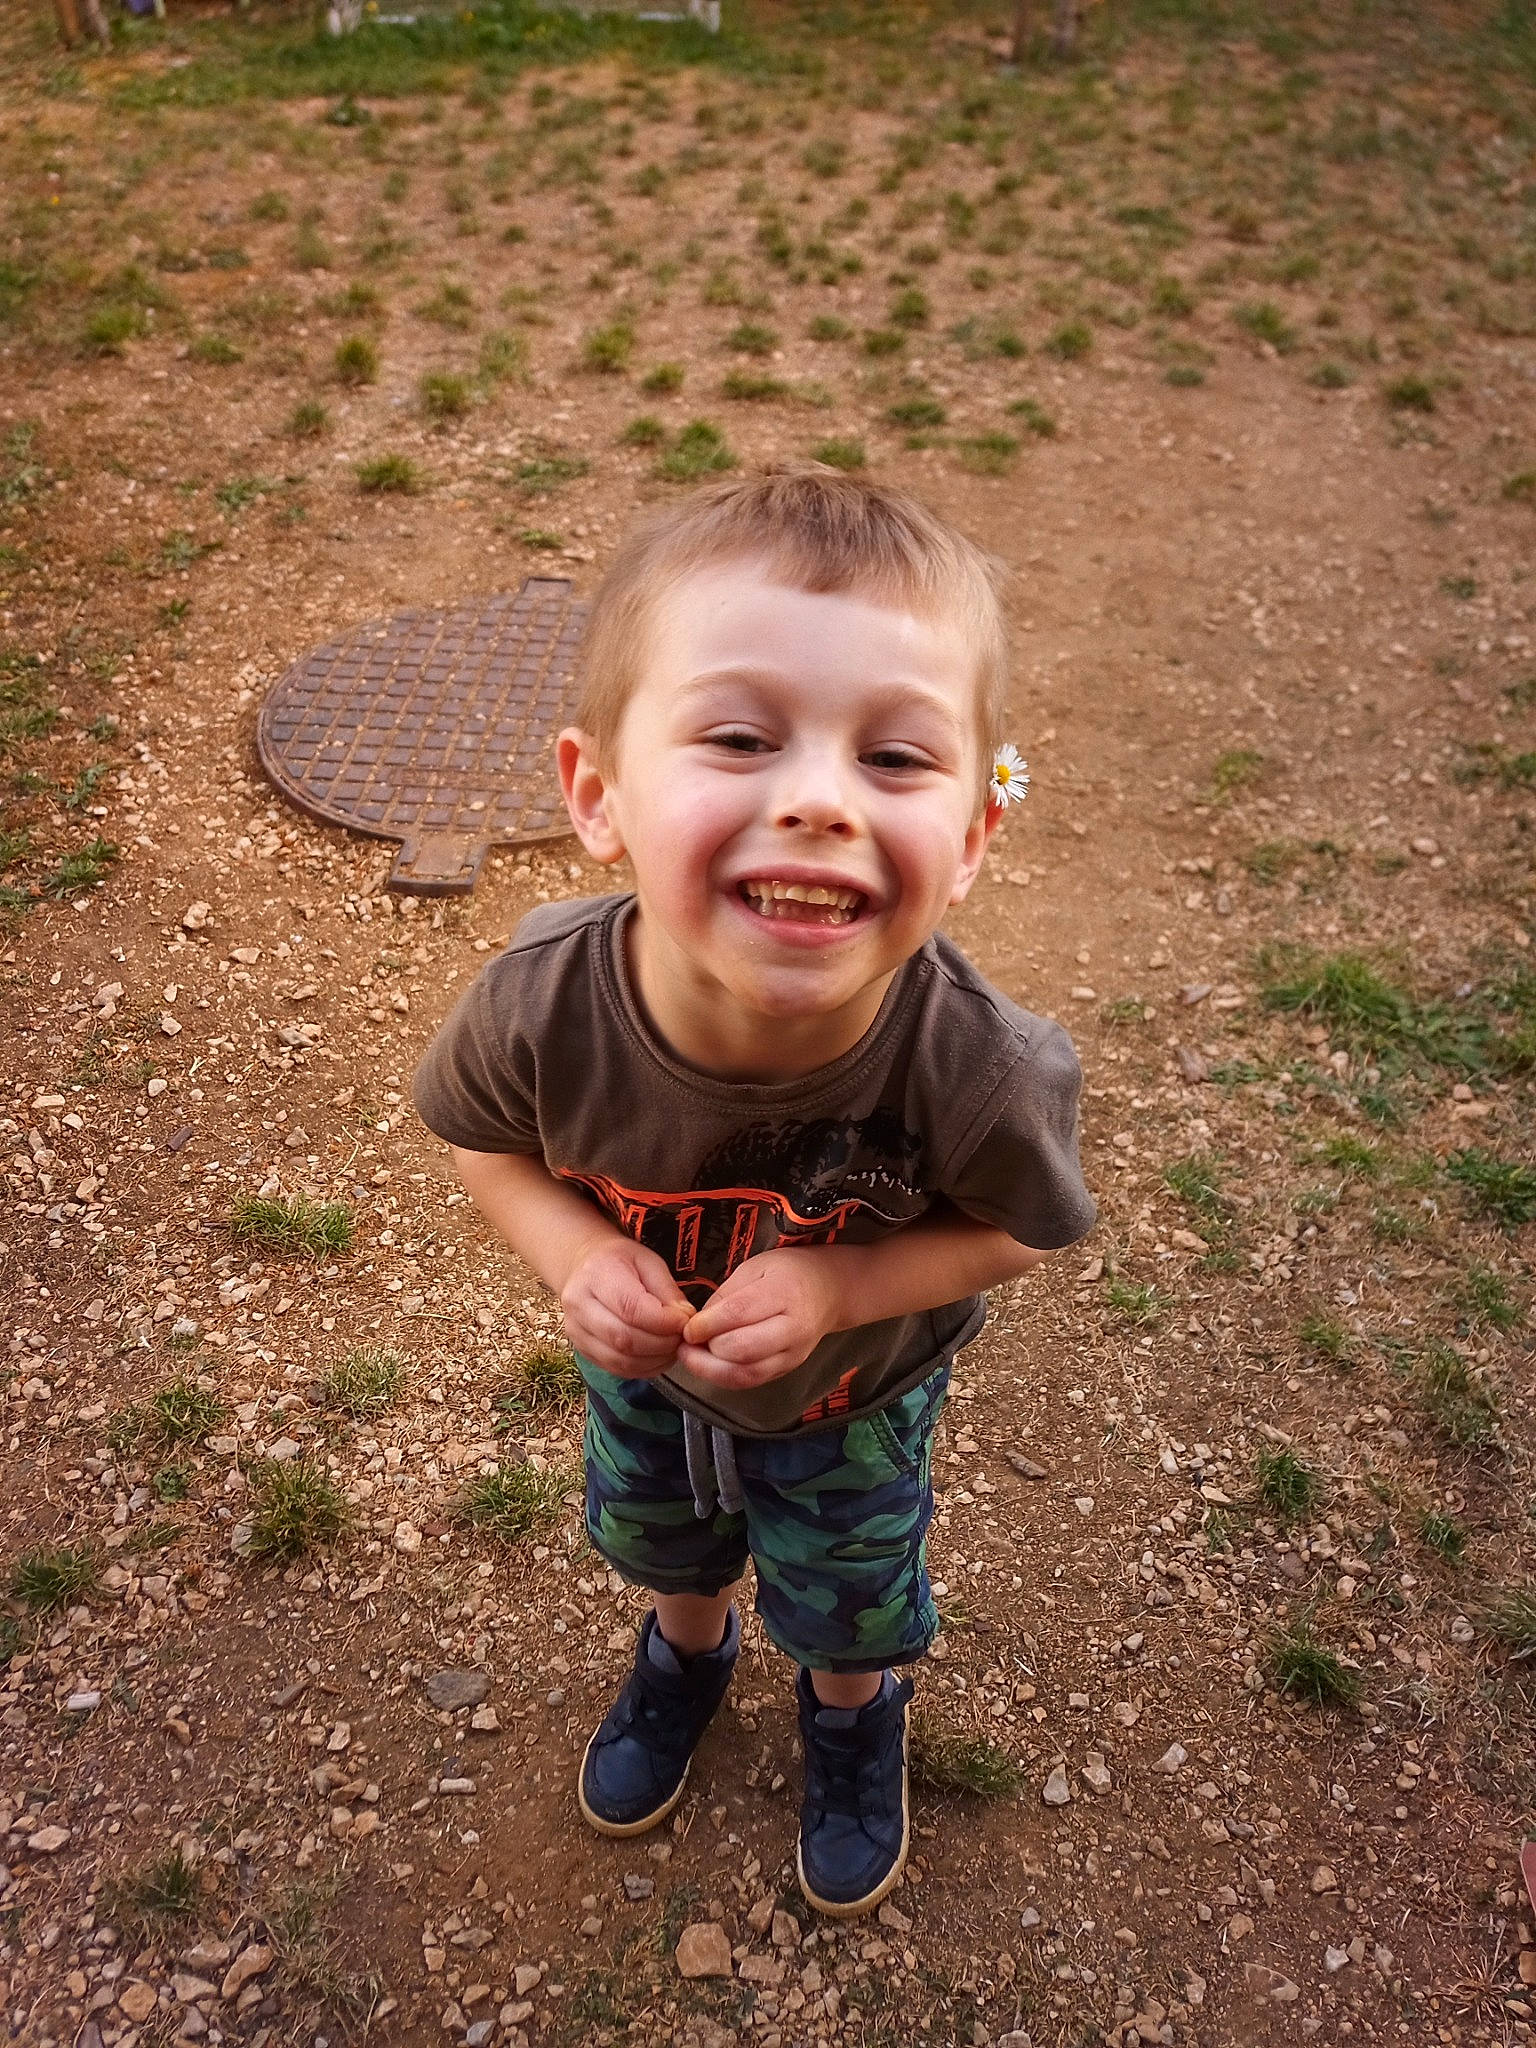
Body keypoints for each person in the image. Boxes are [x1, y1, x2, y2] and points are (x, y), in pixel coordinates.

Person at [412, 467, 1095, 1918]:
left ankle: (850, 1715)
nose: (816, 800)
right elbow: (480, 1139)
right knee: (665, 1535)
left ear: (972, 837)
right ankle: (689, 1650)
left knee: (849, 1590)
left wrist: (847, 1286)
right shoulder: (539, 1007)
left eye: (898, 763)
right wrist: (568, 1250)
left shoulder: (975, 1066)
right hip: (649, 1381)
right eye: (738, 736)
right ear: (596, 795)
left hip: (851, 1401)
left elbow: (1025, 1227)